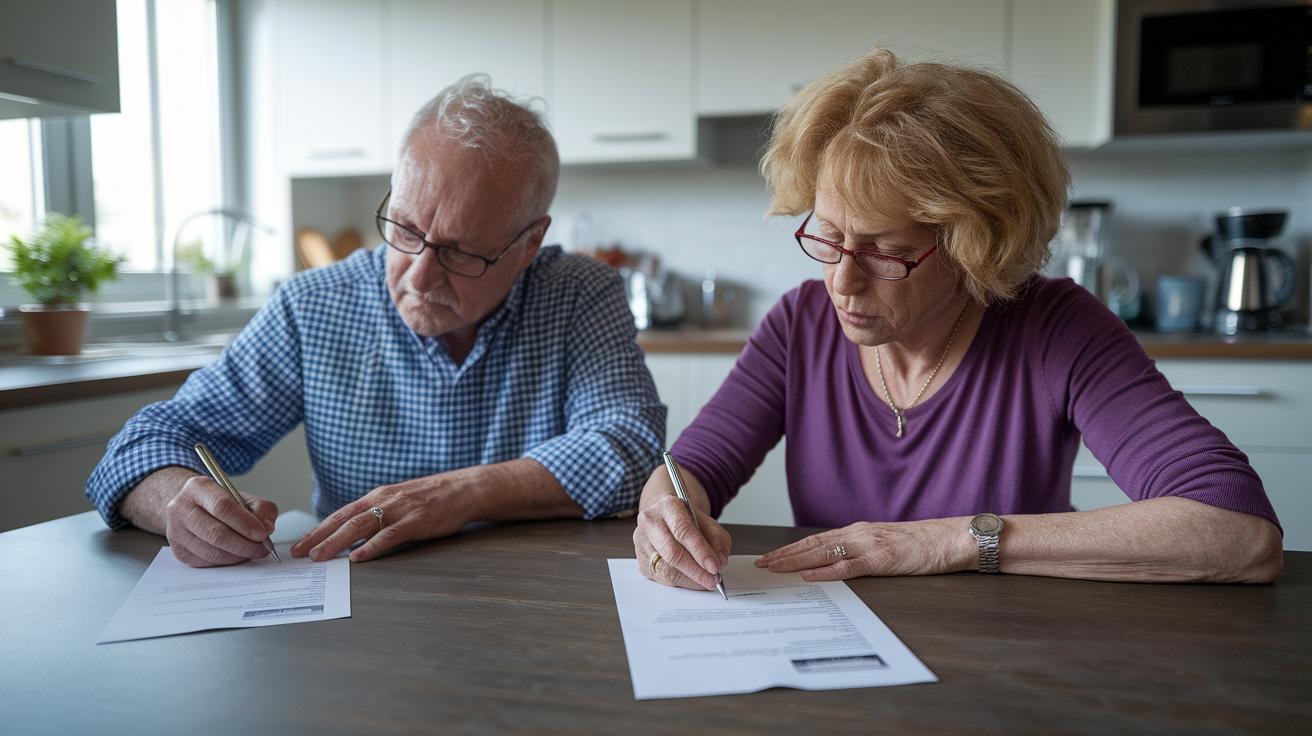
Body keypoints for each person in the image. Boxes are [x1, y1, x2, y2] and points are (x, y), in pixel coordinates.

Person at [633, 49, 1283, 590]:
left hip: (1004, 651)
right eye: (828, 238)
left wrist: (949, 540)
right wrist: (663, 507)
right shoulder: (799, 325)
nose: (841, 280)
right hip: (835, 648)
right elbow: (693, 468)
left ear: (977, 245)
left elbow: (1238, 530)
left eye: (885, 252)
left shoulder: (1056, 328)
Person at [87, 75, 665, 567]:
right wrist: (176, 503)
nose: (417, 277)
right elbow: (143, 444)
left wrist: (457, 496)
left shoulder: (579, 294)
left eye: (462, 253)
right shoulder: (314, 306)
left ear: (529, 241)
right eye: (406, 230)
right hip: (361, 612)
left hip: (538, 600)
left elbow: (631, 447)